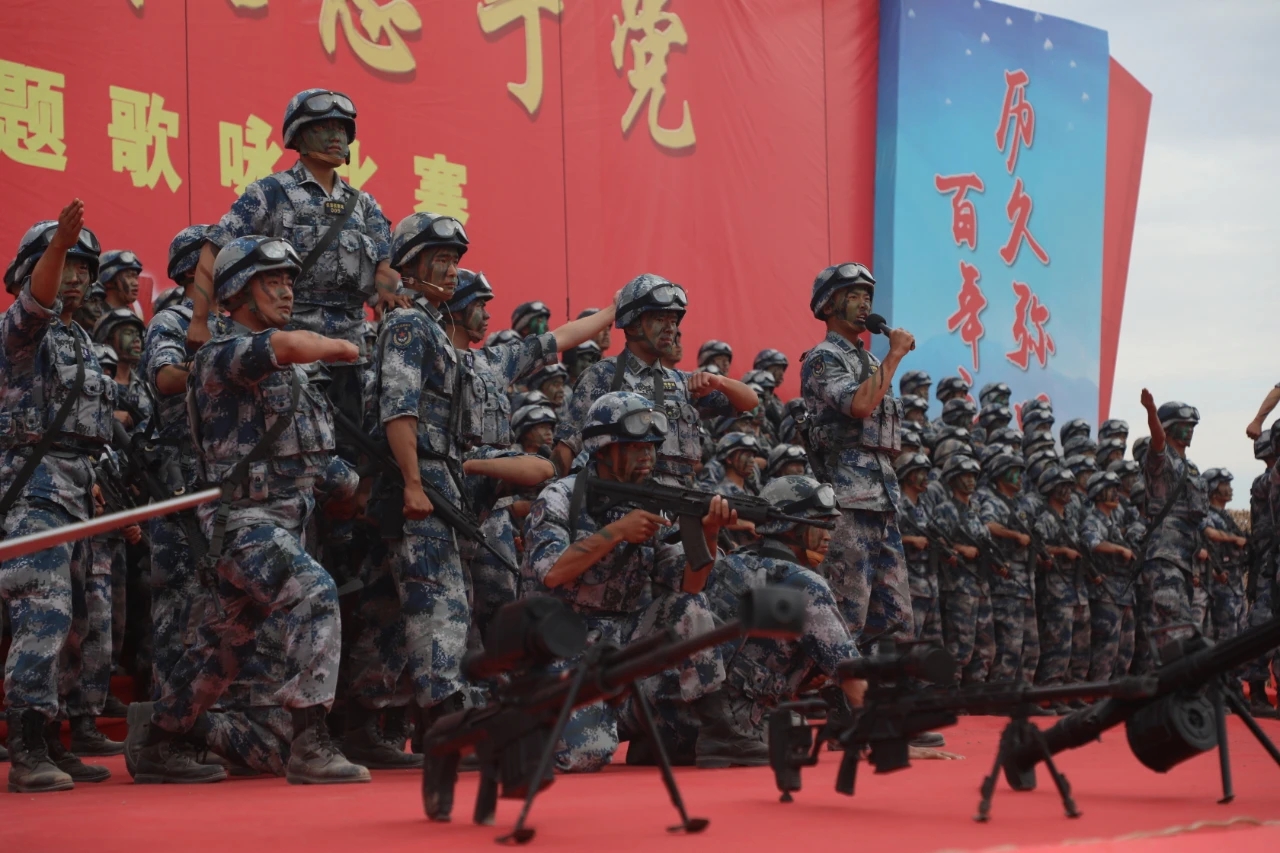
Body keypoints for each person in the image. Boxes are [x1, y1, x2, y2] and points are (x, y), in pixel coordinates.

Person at [130, 234, 367, 785]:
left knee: (222, 647)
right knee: (314, 591)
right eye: (272, 282)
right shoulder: (221, 355)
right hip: (242, 524)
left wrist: (353, 488)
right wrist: (340, 345)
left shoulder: (292, 375)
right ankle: (311, 741)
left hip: (286, 523)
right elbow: (285, 345)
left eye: (288, 282)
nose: (287, 292)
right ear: (237, 291)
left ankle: (160, 736)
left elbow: (308, 455)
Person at [523, 391, 740, 771]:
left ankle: (713, 724)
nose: (648, 456)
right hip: (561, 639)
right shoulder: (561, 496)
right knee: (585, 756)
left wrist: (708, 533)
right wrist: (617, 532)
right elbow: (552, 571)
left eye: (652, 447)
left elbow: (689, 585)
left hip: (621, 637)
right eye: (636, 447)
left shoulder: (650, 501)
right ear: (602, 448)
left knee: (689, 608)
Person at [187, 89, 401, 460]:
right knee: (291, 453)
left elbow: (385, 261)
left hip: (350, 357)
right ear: (298, 136)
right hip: (286, 351)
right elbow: (215, 246)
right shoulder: (269, 193)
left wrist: (387, 293)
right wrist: (199, 320)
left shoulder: (363, 205)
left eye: (342, 129)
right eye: (324, 127)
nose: (336, 137)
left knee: (351, 460)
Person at [2, 202, 117, 792]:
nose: (75, 275)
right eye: (64, 263)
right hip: (33, 490)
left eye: (82, 266)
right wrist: (56, 245)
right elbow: (36, 306)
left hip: (78, 489)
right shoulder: (21, 332)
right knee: (43, 611)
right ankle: (25, 744)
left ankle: (52, 738)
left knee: (78, 623)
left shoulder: (83, 341)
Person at [553, 274, 757, 486]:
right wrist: (558, 497)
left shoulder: (683, 382)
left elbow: (750, 402)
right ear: (632, 325)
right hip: (623, 497)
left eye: (673, 321)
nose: (670, 328)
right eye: (660, 319)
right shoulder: (603, 376)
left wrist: (720, 382)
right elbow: (566, 449)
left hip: (680, 497)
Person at [802, 262, 914, 644]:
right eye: (854, 296)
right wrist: (894, 355)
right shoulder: (823, 358)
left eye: (868, 296)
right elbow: (859, 405)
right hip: (847, 501)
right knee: (846, 616)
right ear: (828, 305)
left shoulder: (870, 362)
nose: (865, 304)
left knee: (897, 622)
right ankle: (832, 683)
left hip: (882, 499)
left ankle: (888, 683)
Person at [1132, 391, 1208, 673]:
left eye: (1192, 426)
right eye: (1184, 425)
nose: (1190, 431)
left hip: (1184, 560)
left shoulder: (1190, 468)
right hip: (1165, 557)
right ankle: (1170, 685)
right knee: (1175, 629)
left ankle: (1165, 685)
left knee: (1172, 629)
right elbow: (1157, 442)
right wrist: (1151, 412)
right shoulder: (1162, 462)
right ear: (1169, 428)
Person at [978, 453, 1039, 684]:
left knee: (1031, 648)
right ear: (1001, 475)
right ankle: (1001, 695)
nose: (1020, 477)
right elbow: (987, 525)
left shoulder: (1019, 505)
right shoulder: (993, 502)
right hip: (1007, 585)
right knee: (1009, 648)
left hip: (1026, 585)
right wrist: (1014, 535)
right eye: (1015, 472)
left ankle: (1024, 693)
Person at [1032, 467, 1089, 706]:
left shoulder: (1071, 519)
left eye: (1069, 486)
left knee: (1080, 646)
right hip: (1056, 590)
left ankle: (1073, 693)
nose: (1068, 491)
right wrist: (1061, 551)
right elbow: (1037, 550)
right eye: (1062, 486)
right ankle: (1051, 694)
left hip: (1077, 590)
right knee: (1058, 645)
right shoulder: (1045, 519)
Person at [1080, 472, 1138, 681]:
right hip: (1105, 593)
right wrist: (1119, 549)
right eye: (1110, 490)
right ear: (1098, 493)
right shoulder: (1093, 520)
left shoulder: (1113, 523)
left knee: (1125, 651)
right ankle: (1100, 692)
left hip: (1123, 593)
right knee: (1106, 651)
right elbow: (1092, 543)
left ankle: (1116, 692)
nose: (1116, 494)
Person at [895, 453, 941, 648]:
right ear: (907, 475)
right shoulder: (897, 504)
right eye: (920, 472)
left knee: (932, 645)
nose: (925, 477)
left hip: (930, 583)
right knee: (909, 642)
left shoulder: (926, 505)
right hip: (909, 585)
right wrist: (910, 539)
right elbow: (882, 538)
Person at [1201, 469, 1248, 643]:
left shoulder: (1225, 516)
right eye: (1225, 484)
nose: (1230, 489)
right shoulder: (1206, 515)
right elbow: (1209, 534)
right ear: (1213, 489)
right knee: (1225, 639)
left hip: (1236, 585)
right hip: (1221, 584)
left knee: (1240, 635)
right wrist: (1234, 539)